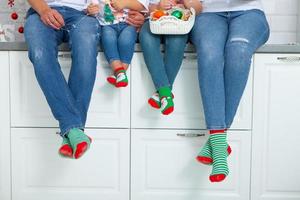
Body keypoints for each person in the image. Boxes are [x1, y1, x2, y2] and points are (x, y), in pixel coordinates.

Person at [190, 0, 270, 182]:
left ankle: (216, 143)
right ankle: (219, 145)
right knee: (209, 53)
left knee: (239, 50)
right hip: (208, 13)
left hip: (249, 12)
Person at [139, 0, 202, 115]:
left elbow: (198, 8)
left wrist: (186, 5)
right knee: (147, 38)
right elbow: (146, 8)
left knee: (177, 42)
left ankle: (162, 93)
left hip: (180, 24)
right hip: (154, 22)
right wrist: (158, 7)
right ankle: (165, 94)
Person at [87, 0, 148, 88]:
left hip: (128, 24)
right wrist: (91, 10)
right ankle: (119, 72)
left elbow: (142, 5)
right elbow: (91, 6)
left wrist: (125, 3)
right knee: (108, 38)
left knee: (126, 40)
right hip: (106, 24)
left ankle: (119, 73)